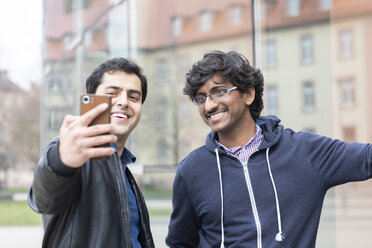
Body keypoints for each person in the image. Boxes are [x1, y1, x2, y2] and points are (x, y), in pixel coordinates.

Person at [165, 51, 372, 247]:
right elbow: (180, 243)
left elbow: (367, 158)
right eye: (201, 98)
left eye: (218, 92)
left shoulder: (304, 151)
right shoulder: (190, 171)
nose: (209, 106)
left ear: (247, 94)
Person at [28, 58, 155, 248]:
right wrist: (61, 161)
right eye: (112, 93)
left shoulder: (124, 171)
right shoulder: (72, 153)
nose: (123, 102)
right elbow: (44, 199)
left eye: (134, 97)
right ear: (93, 101)